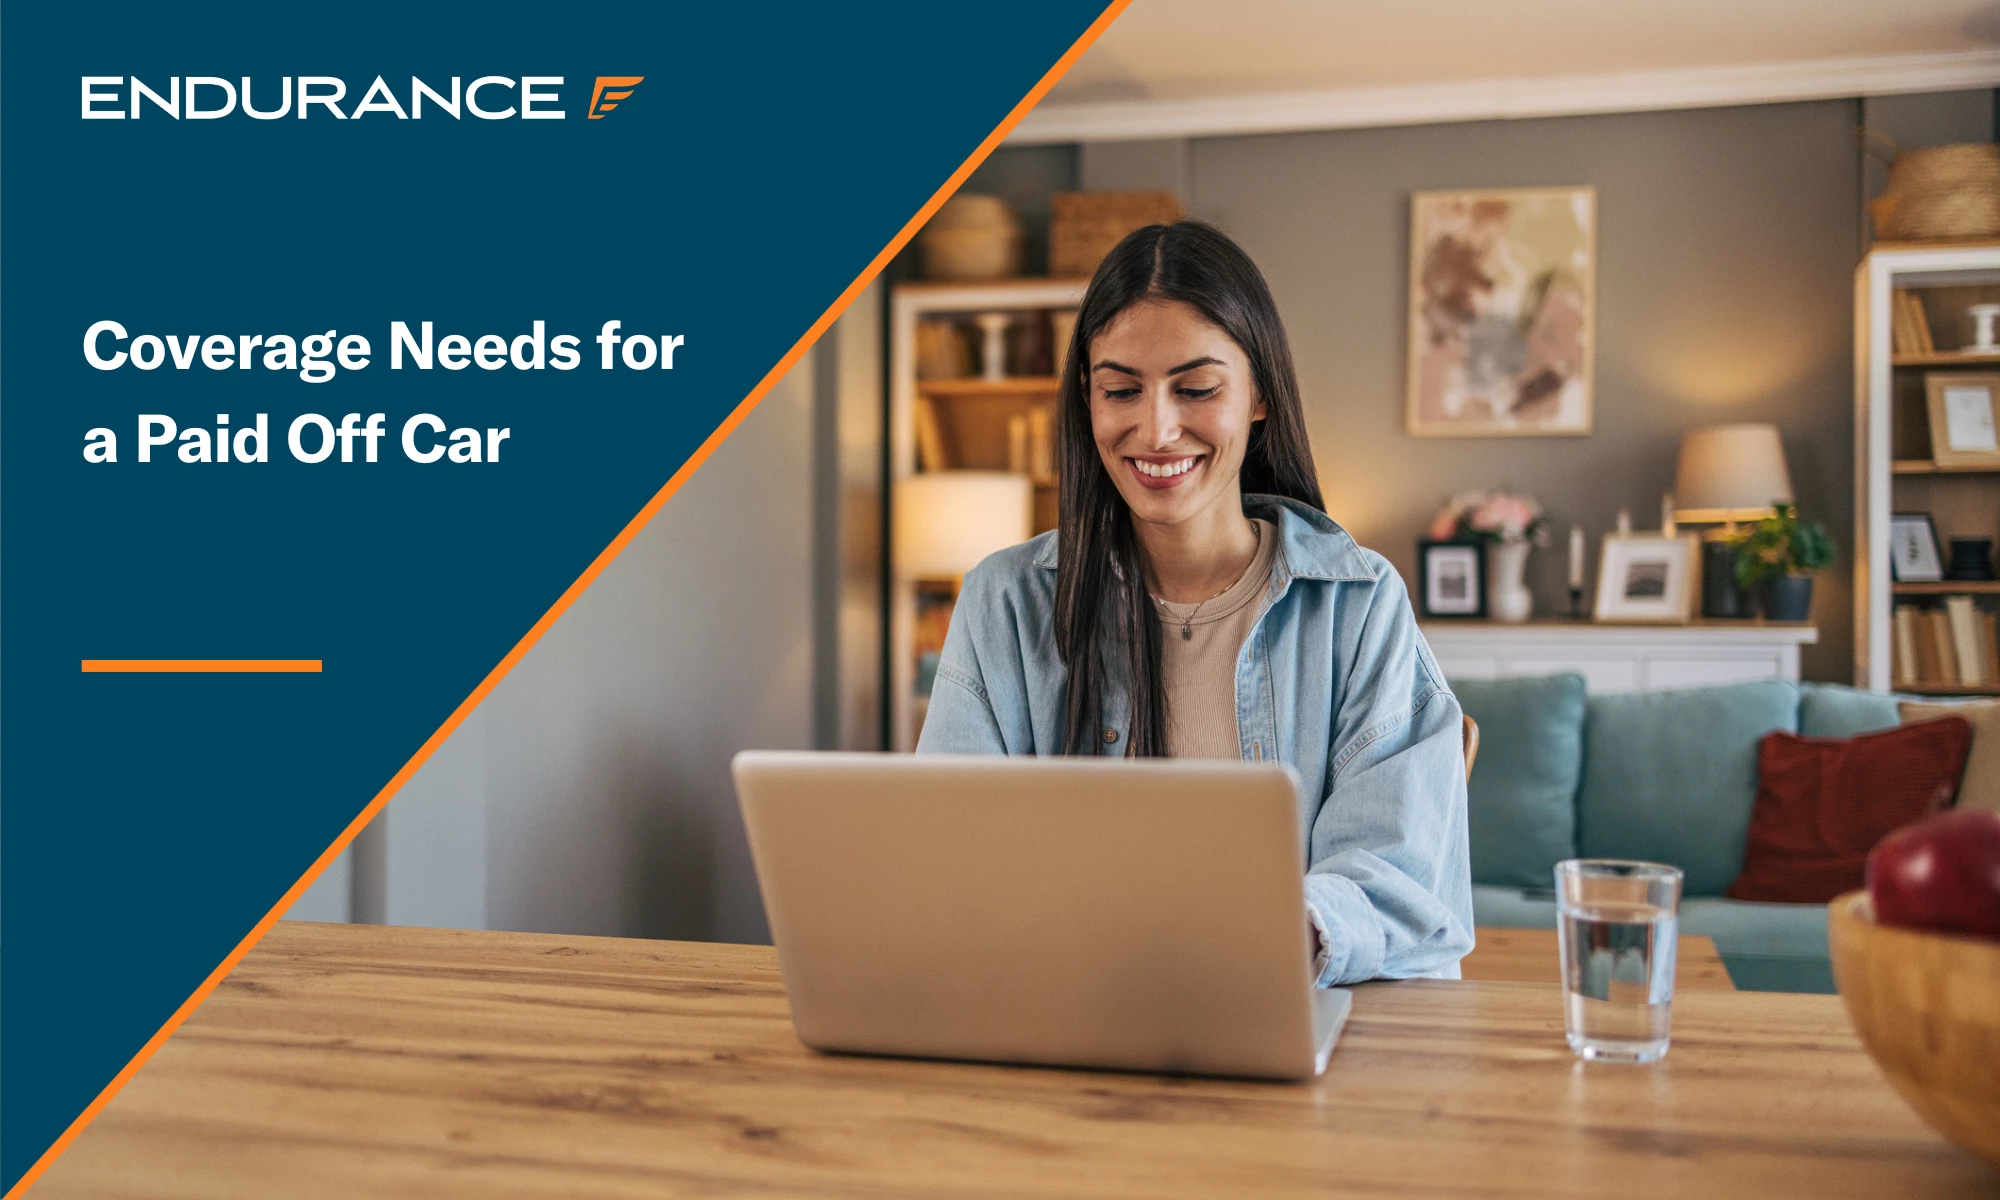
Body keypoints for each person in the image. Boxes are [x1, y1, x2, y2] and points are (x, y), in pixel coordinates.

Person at [915, 219, 1473, 985]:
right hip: (1066, 1014)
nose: (1157, 429)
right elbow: (952, 864)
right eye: (1121, 390)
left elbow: (1398, 882)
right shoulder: (1005, 604)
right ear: (1087, 400)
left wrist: (1255, 941)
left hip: (1285, 1009)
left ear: (1259, 395)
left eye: (1196, 389)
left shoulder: (1358, 604)